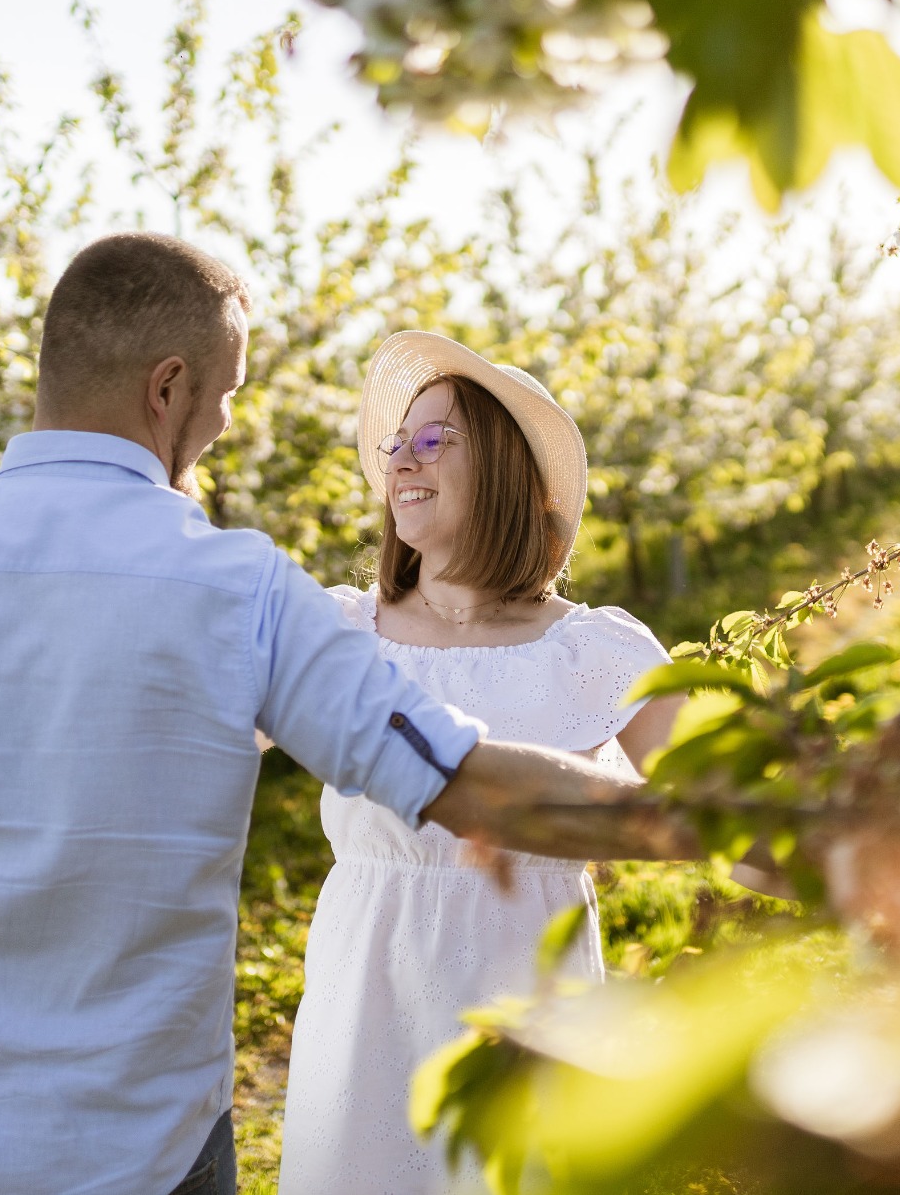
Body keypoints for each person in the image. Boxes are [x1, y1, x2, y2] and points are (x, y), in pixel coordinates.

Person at [0, 234, 692, 1195]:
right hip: (140, 1152)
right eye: (226, 395)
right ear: (167, 388)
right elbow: (463, 782)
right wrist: (716, 821)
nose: (221, 424)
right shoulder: (239, 592)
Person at [279, 333, 685, 1195]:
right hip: (368, 1000)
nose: (401, 460)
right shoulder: (337, 631)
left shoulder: (594, 649)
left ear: (502, 468)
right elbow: (180, 733)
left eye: (434, 438)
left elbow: (733, 812)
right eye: (397, 443)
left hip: (527, 1005)